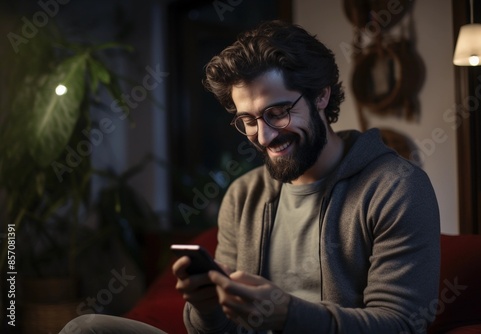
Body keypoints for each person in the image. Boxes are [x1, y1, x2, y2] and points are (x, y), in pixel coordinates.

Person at [60, 20, 440, 334]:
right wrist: (206, 306)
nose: (263, 135)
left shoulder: (396, 187)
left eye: (277, 113)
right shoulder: (244, 195)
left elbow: (401, 325)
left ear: (321, 97)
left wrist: (289, 315)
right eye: (248, 121)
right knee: (87, 328)